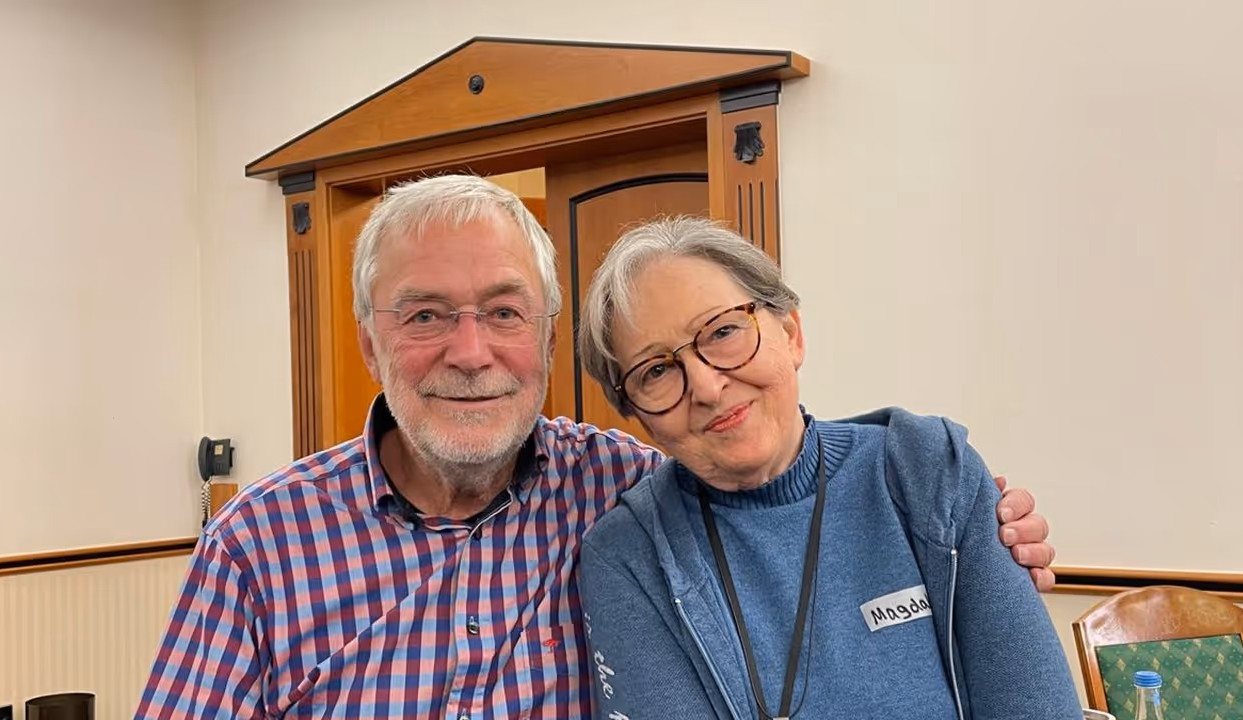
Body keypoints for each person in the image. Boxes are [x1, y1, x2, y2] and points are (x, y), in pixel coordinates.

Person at [134, 175, 1058, 719]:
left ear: (542, 342)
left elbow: (767, 453)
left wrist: (974, 516)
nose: (469, 351)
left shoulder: (619, 488)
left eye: (503, 312)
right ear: (371, 342)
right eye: (424, 316)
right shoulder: (259, 542)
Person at [574, 215, 1081, 719]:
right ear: (637, 415)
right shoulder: (630, 555)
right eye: (657, 370)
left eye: (724, 331)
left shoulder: (927, 472)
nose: (706, 388)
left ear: (791, 333)